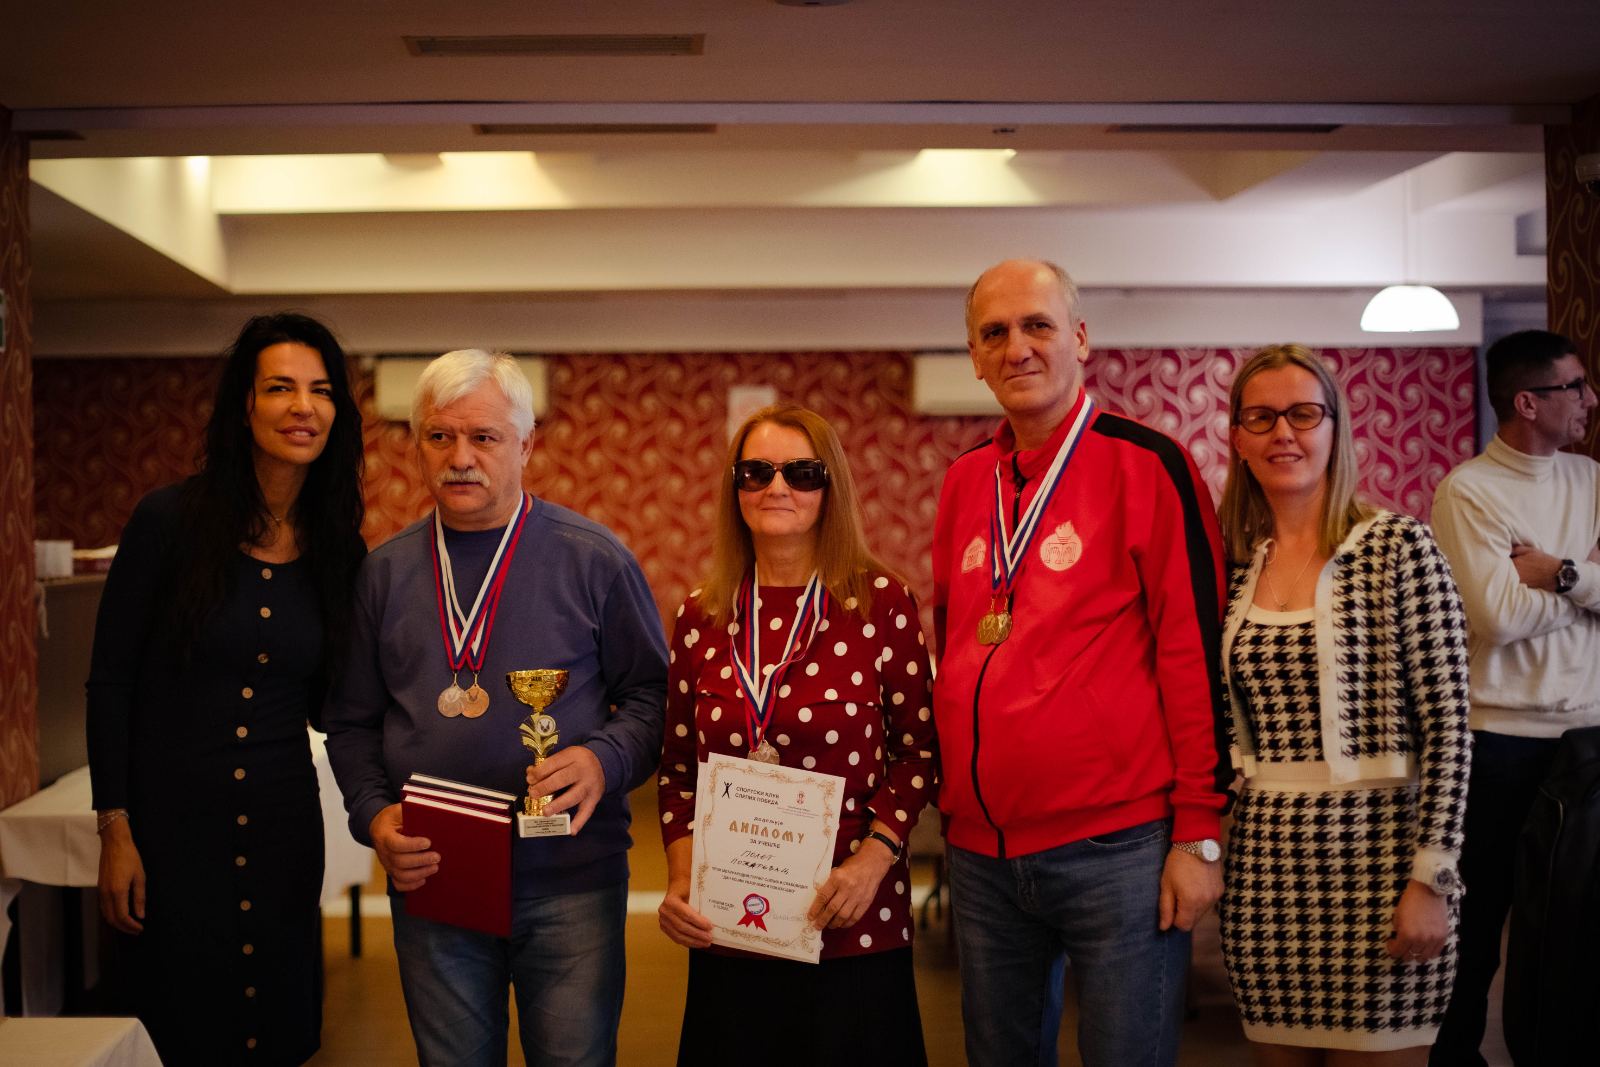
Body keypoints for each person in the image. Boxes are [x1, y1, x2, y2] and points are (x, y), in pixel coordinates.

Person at [324, 349, 667, 1067]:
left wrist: (603, 760)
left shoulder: (593, 559)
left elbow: (653, 697)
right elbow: (351, 722)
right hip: (435, 876)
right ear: (417, 444)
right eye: (439, 436)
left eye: (483, 437)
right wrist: (374, 814)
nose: (460, 458)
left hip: (571, 877)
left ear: (525, 445)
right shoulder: (383, 574)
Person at [930, 259, 1230, 1067]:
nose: (1017, 347)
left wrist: (1199, 831)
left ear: (1081, 338)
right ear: (974, 356)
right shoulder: (964, 482)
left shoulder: (1149, 463)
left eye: (1038, 325)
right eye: (995, 332)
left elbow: (1193, 652)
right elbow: (953, 643)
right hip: (982, 854)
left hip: (1119, 846)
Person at [87, 313, 367, 1065]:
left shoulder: (339, 546)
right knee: (183, 1029)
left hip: (283, 826)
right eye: (280, 388)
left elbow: (334, 701)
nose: (303, 407)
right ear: (244, 405)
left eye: (321, 390)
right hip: (172, 831)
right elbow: (110, 680)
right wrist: (115, 828)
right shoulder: (168, 521)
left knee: (277, 1028)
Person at [655, 403, 937, 1067]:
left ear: (829, 485)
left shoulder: (881, 602)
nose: (776, 487)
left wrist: (873, 860)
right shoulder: (701, 614)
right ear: (735, 489)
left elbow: (919, 751)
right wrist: (682, 878)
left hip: (851, 917)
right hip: (732, 922)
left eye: (801, 472)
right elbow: (677, 769)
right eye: (756, 472)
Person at [1215, 344, 1473, 1064]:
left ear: (1335, 427)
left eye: (1303, 413)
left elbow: (1451, 729)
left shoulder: (1398, 547)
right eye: (1261, 418)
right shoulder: (1237, 567)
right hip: (1266, 873)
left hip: (1384, 863)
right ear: (1237, 438)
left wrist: (1433, 877)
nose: (1283, 433)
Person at [1427, 329, 1600, 1067]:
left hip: (1587, 740)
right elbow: (1496, 617)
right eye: (1576, 386)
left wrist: (1558, 572)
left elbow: (1536, 596)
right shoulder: (1469, 490)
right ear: (1529, 402)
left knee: (1571, 931)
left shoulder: (1591, 480)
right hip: (1496, 743)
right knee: (1475, 934)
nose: (1591, 399)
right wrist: (1587, 584)